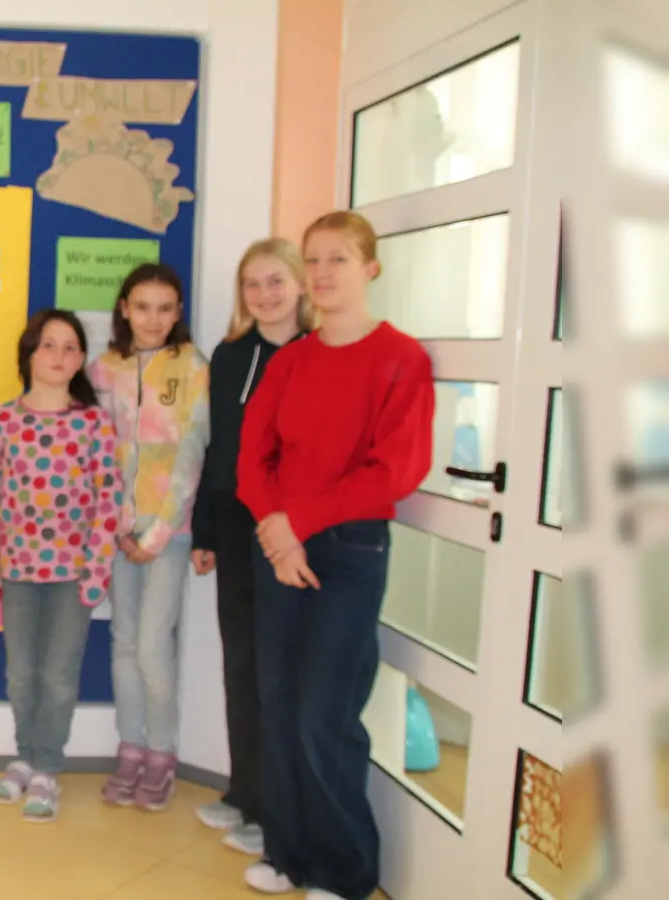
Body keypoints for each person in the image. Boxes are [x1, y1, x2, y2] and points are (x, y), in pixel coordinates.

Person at [237, 211, 434, 900]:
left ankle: (345, 873)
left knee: (325, 715)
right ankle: (288, 855)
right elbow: (252, 458)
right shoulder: (291, 360)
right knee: (279, 705)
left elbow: (394, 471)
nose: (322, 274)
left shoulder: (401, 359)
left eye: (338, 260)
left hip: (348, 550)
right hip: (279, 546)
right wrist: (277, 530)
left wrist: (296, 523)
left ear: (370, 269)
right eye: (314, 260)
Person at [189, 238, 314, 855]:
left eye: (276, 281)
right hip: (234, 526)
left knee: (278, 671)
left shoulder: (317, 354)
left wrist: (294, 526)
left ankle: (275, 808)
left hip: (288, 529)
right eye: (252, 284)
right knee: (240, 663)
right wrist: (206, 532)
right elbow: (218, 449)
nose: (265, 295)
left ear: (300, 285)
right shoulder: (231, 354)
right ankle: (244, 793)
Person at [0, 309, 121, 823]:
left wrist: (97, 571)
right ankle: (25, 757)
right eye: (48, 345)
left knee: (58, 677)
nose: (59, 356)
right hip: (16, 571)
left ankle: (46, 769)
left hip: (73, 576)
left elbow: (108, 500)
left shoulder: (93, 423)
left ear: (81, 360)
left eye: (70, 347)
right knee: (21, 675)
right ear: (29, 354)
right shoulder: (2, 421)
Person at [87, 263, 210, 812]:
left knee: (153, 646)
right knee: (123, 642)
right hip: (117, 532)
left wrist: (157, 534)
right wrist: (115, 525)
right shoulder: (103, 370)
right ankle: (131, 749)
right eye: (142, 307)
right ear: (124, 309)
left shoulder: (193, 367)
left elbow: (191, 454)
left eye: (164, 308)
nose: (153, 319)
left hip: (169, 533)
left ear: (178, 311)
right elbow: (96, 452)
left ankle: (162, 755)